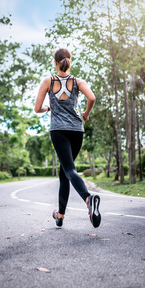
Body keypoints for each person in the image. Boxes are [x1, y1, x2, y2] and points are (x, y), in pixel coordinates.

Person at [34, 48, 100, 229]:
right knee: (65, 172)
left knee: (69, 169)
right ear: (70, 61)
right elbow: (92, 97)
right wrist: (86, 113)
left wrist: (49, 109)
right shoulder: (78, 81)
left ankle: (88, 198)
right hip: (77, 131)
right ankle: (60, 215)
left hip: (59, 131)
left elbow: (37, 108)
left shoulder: (49, 81)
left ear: (55, 62)